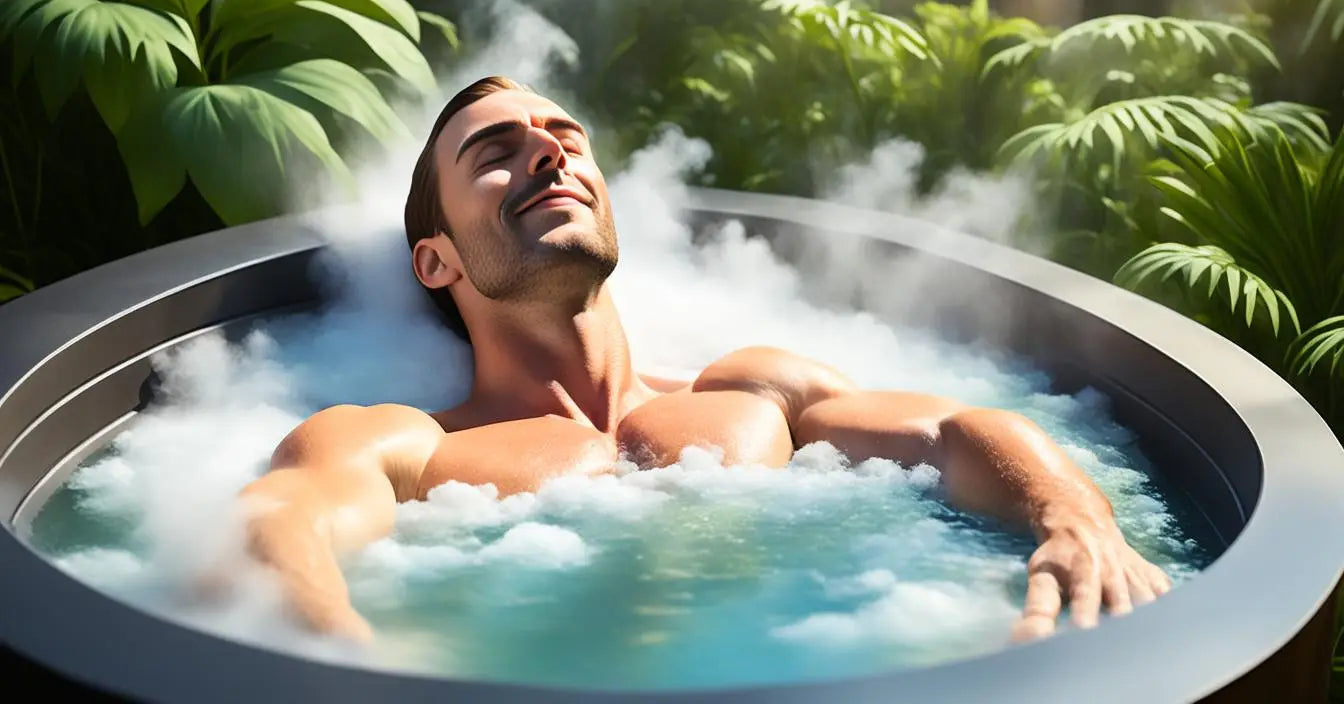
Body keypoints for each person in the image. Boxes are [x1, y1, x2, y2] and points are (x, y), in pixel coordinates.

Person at [240, 75, 1171, 644]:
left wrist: (1071, 514)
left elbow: (957, 430)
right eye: (497, 152)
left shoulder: (753, 390)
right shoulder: (411, 446)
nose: (548, 157)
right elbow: (282, 530)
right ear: (435, 260)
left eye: (566, 142)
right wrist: (349, 658)